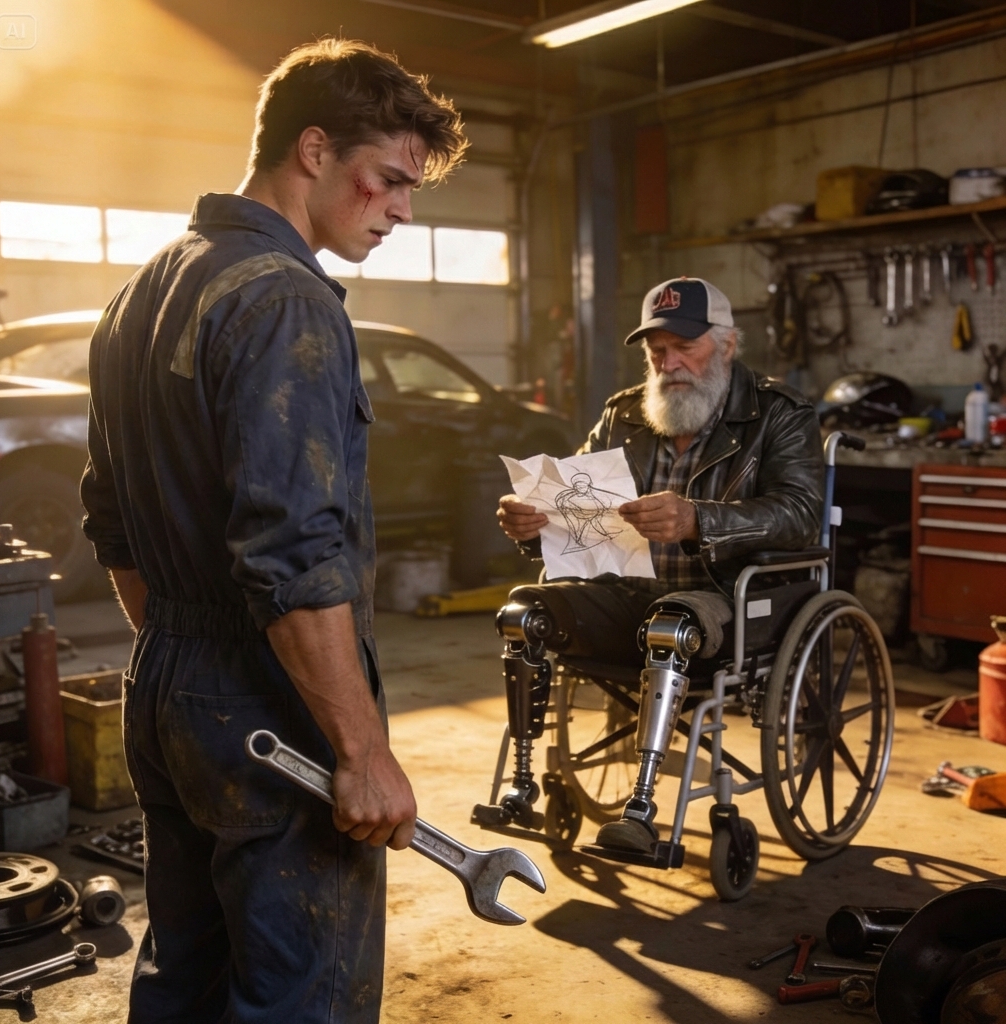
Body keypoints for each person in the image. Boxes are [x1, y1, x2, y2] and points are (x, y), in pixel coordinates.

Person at [81, 38, 467, 1024]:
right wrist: (361, 744)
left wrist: (182, 658)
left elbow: (114, 521)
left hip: (167, 679)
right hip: (263, 700)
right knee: (303, 998)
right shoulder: (283, 297)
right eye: (386, 181)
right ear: (312, 150)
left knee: (186, 976)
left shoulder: (143, 289)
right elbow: (293, 552)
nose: (402, 211)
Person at [473, 276, 824, 852]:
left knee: (672, 622)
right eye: (657, 351)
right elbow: (574, 503)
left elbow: (801, 513)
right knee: (523, 612)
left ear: (728, 345)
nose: (670, 363)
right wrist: (534, 523)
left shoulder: (779, 413)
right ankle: (521, 785)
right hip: (624, 588)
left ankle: (639, 809)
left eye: (686, 347)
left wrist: (698, 521)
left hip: (725, 593)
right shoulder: (624, 414)